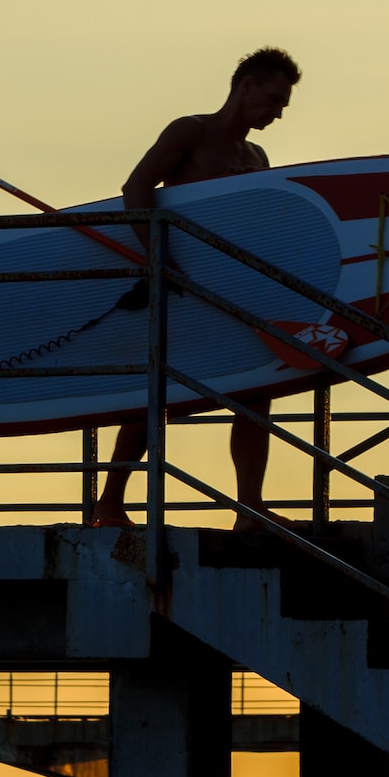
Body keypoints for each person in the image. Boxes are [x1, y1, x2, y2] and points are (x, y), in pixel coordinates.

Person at [93, 47, 301, 532]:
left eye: (284, 105)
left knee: (258, 389)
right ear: (245, 85)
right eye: (273, 99)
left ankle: (249, 506)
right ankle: (110, 502)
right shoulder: (191, 130)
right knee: (157, 391)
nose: (277, 112)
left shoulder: (257, 156)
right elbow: (137, 188)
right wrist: (157, 257)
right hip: (181, 284)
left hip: (236, 287)